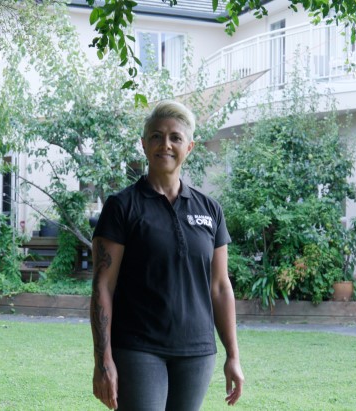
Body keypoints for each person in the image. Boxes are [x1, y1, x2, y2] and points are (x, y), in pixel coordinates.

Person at [90, 100, 244, 410]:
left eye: (175, 137)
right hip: (138, 348)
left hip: (197, 352)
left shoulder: (209, 209)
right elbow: (102, 286)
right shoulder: (122, 207)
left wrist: (233, 355)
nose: (166, 144)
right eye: (157, 136)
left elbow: (220, 286)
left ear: (190, 146)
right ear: (144, 144)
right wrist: (103, 360)